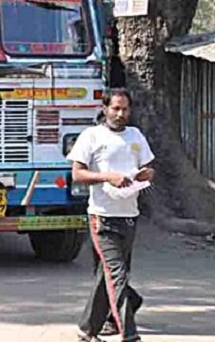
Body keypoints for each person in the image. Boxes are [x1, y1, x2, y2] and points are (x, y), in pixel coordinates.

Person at [67, 89, 155, 342]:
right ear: (105, 108)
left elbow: (148, 166)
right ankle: (130, 335)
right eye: (115, 108)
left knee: (108, 274)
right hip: (102, 217)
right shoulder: (92, 136)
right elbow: (78, 174)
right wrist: (108, 177)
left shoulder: (135, 136)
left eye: (125, 109)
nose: (120, 114)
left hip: (129, 216)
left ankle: (87, 329)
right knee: (116, 275)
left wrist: (146, 174)